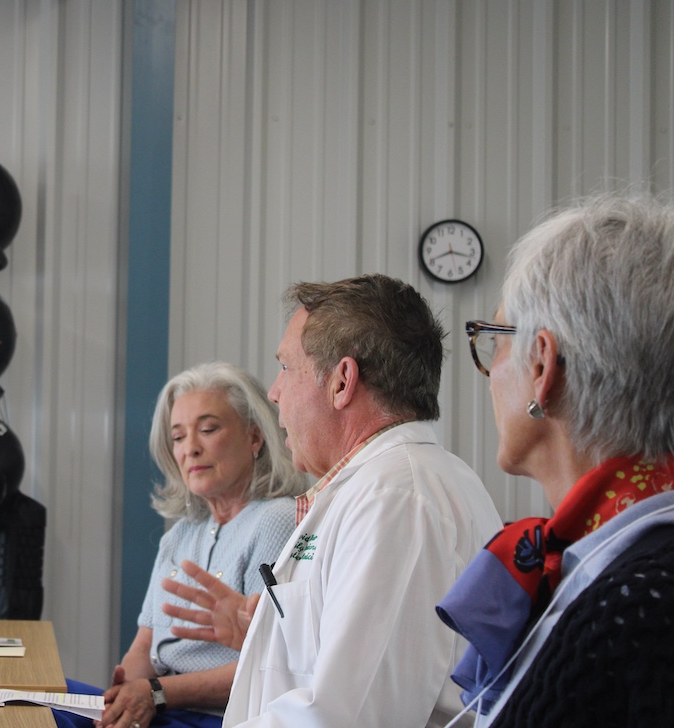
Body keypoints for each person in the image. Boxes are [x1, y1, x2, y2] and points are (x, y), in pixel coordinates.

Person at [161, 274, 503, 727]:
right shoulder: (374, 489)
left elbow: (349, 717)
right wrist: (273, 640)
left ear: (342, 381)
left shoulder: (397, 501)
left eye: (286, 367)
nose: (274, 392)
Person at [436, 191, 674, 726]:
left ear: (542, 366)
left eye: (496, 338)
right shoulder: (604, 565)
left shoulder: (638, 606)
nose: (490, 374)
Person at [56, 362, 306, 728]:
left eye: (208, 429)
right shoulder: (179, 535)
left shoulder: (276, 520)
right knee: (31, 696)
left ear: (255, 437)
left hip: (218, 717)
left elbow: (270, 665)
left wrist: (156, 693)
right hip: (161, 706)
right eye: (178, 437)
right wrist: (123, 695)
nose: (190, 448)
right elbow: (144, 645)